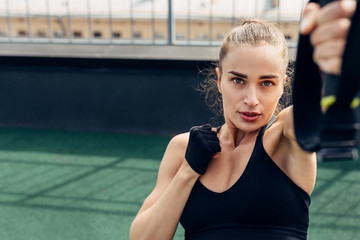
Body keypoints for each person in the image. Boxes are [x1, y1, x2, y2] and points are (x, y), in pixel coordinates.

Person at [129, 1, 357, 239]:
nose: (252, 99)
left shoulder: (286, 137)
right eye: (238, 80)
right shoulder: (183, 148)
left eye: (266, 83)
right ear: (219, 80)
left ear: (283, 86)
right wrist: (188, 170)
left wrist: (345, 63)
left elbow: (320, 109)